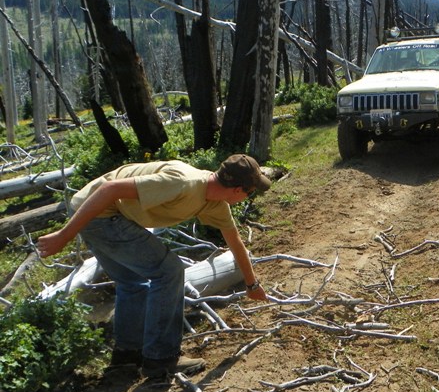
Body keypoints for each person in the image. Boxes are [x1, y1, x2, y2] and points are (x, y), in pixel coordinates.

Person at [36, 154, 271, 379]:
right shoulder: (183, 183)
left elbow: (235, 243)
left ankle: (127, 356)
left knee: (131, 282)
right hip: (99, 212)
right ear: (238, 190)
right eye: (250, 192)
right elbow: (110, 189)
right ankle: (161, 358)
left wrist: (252, 284)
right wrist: (64, 235)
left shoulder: (215, 204)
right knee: (169, 271)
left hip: (103, 212)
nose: (248, 197)